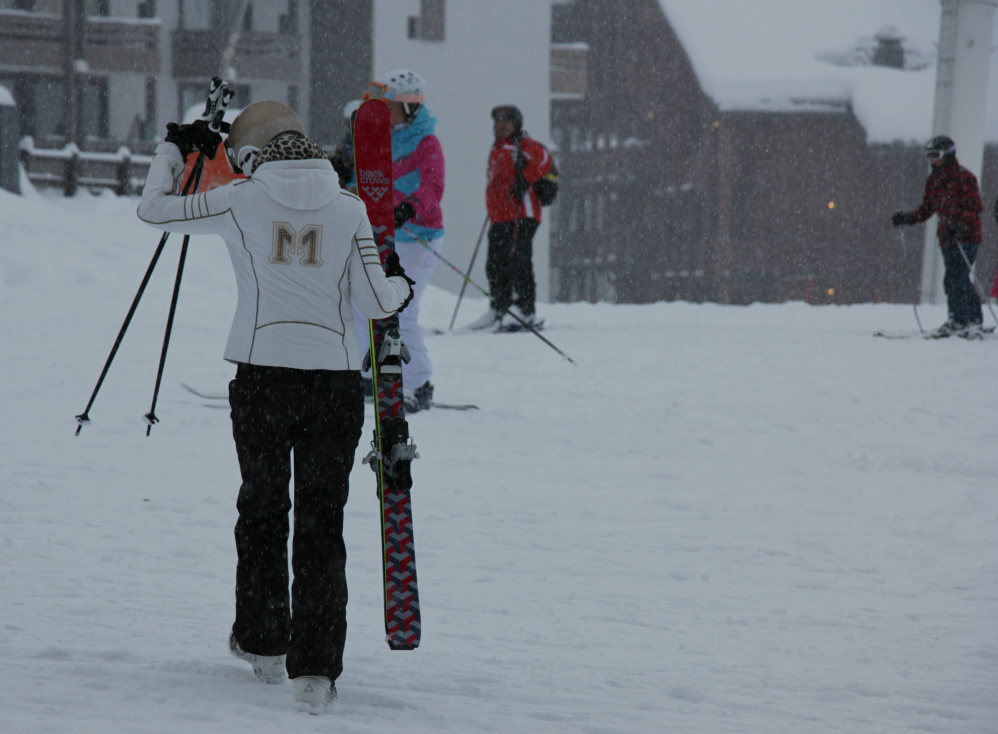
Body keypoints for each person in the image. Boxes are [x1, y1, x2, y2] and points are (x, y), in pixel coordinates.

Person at [136, 100, 413, 711]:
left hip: (261, 379)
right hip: (333, 387)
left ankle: (264, 645)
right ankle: (314, 672)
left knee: (262, 505)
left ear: (254, 154)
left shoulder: (239, 200)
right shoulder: (350, 209)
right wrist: (399, 281)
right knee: (322, 521)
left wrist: (175, 151)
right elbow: (376, 303)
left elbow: (153, 210)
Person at [351, 69, 444, 413]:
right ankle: (368, 375)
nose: (383, 113)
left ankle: (419, 385)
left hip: (418, 239)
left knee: (402, 313)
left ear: (410, 107)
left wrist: (409, 207)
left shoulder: (426, 142)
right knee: (361, 304)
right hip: (385, 236)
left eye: (389, 107)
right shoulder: (382, 137)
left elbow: (433, 188)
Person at [469, 104, 552, 330]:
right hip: (499, 216)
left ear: (516, 124)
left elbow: (544, 160)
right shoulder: (497, 149)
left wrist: (525, 178)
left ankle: (523, 310)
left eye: (507, 121)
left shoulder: (521, 144)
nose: (502, 125)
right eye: (498, 121)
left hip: (521, 213)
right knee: (495, 264)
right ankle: (499, 307)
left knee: (518, 260)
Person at [893, 135, 984, 337]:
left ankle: (958, 320)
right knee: (959, 278)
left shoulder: (964, 178)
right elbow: (927, 209)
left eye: (936, 155)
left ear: (948, 155)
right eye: (929, 156)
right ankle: (973, 319)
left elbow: (974, 208)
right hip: (946, 239)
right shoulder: (933, 181)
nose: (932, 160)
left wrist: (959, 227)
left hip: (966, 239)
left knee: (955, 278)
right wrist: (906, 218)